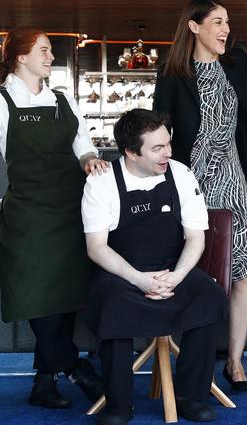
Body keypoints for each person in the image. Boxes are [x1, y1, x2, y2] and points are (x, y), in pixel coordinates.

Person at [153, 0, 247, 391]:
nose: (225, 30)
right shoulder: (172, 74)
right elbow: (158, 129)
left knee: (245, 270)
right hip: (188, 182)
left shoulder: (235, 63)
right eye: (217, 21)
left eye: (228, 23)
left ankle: (235, 360)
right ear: (194, 26)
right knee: (191, 268)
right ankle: (189, 359)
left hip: (232, 180)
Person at [82, 109, 228, 424]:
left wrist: (175, 278)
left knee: (210, 295)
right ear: (131, 153)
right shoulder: (102, 182)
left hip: (173, 269)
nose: (168, 153)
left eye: (168, 144)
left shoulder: (181, 174)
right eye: (157, 148)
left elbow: (195, 239)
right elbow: (96, 247)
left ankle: (191, 396)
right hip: (122, 272)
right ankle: (119, 405)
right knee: (111, 304)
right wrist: (139, 280)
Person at [0, 26, 107, 409]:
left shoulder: (63, 99)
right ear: (20, 57)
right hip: (27, 217)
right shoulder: (2, 102)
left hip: (69, 212)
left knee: (61, 300)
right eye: (43, 50)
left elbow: (83, 142)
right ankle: (76, 368)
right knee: (36, 295)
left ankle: (44, 384)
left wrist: (89, 158)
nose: (50, 57)